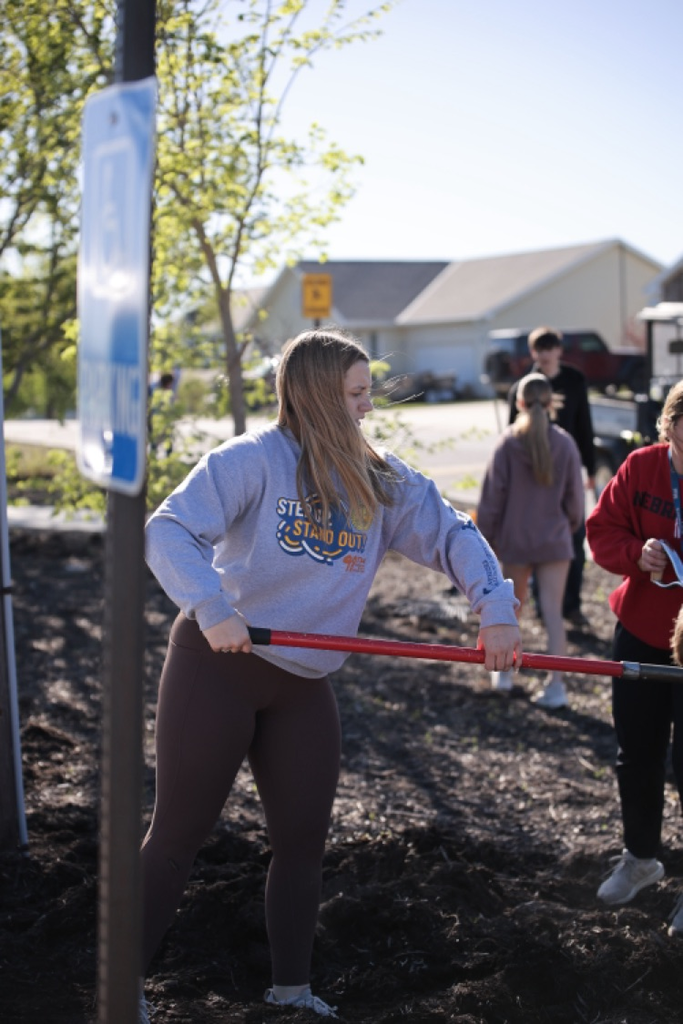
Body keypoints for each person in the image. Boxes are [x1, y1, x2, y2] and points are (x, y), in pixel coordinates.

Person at [139, 327, 522, 1021]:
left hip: (304, 682)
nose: (367, 407)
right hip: (220, 663)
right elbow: (168, 528)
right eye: (355, 393)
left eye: (367, 391)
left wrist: (494, 608)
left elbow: (451, 533)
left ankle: (291, 992)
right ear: (316, 394)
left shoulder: (378, 476)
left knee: (303, 841)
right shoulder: (251, 460)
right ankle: (122, 987)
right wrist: (211, 605)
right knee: (178, 833)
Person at [586, 380, 683, 936]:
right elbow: (601, 532)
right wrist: (636, 555)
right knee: (637, 752)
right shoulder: (642, 467)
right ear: (667, 431)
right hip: (641, 629)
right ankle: (640, 857)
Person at [478, 372, 584, 709]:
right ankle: (556, 686)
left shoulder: (508, 443)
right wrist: (565, 527)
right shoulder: (565, 442)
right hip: (554, 540)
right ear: (552, 403)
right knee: (553, 613)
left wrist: (489, 538)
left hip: (516, 540)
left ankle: (504, 672)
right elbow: (576, 503)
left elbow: (492, 499)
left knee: (512, 610)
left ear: (519, 403)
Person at [508, 326, 596, 626]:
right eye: (539, 348)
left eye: (550, 347)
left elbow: (585, 424)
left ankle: (571, 604)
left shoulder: (574, 381)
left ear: (559, 350)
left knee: (574, 537)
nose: (545, 354)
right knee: (534, 541)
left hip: (567, 474)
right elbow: (511, 436)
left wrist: (591, 468)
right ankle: (544, 607)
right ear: (533, 352)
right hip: (532, 479)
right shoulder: (524, 387)